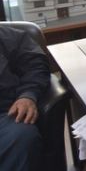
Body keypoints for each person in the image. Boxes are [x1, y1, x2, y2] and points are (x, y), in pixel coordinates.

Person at [0, 26, 50, 171]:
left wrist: (27, 95)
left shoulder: (7, 36)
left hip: (5, 114)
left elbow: (35, 66)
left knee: (23, 137)